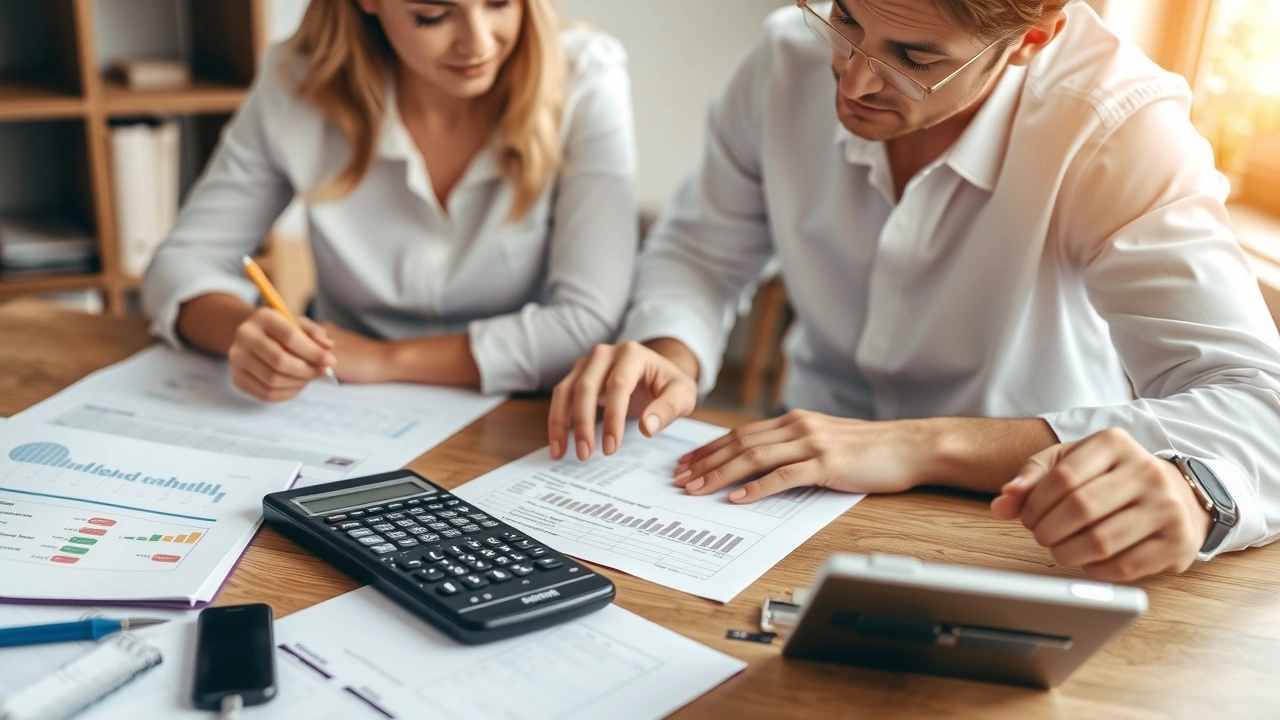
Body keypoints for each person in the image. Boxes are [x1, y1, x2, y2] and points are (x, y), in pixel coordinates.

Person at [547, 0, 1280, 582]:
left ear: (1032, 40)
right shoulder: (785, 58)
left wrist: (917, 445)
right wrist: (671, 349)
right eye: (845, 18)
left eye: (916, 57)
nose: (854, 79)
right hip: (784, 496)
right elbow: (700, 253)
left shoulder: (1117, 126)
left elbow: (1259, 405)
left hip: (1015, 527)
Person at [142, 0, 637, 401]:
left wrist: (383, 361)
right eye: (433, 15)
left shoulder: (585, 77)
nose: (479, 42)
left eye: (500, 4)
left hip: (522, 406)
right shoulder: (298, 81)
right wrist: (246, 333)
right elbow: (182, 262)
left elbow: (587, 323)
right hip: (339, 399)